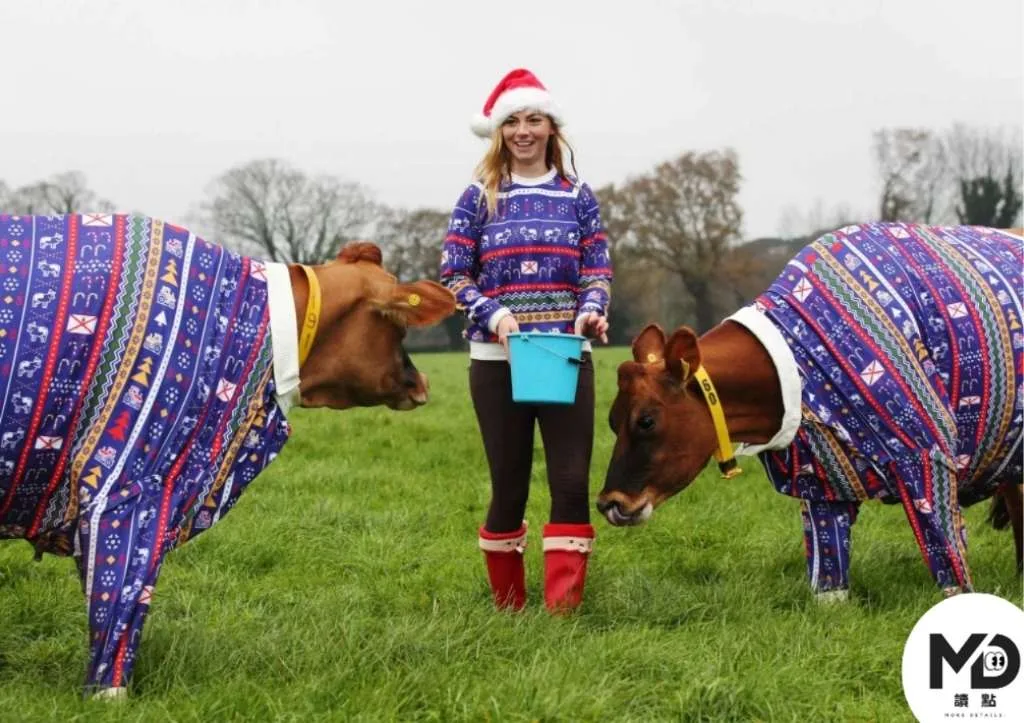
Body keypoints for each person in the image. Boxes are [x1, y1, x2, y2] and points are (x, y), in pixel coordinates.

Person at [439, 68, 613, 613]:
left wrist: (592, 310)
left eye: (533, 119)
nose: (523, 131)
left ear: (551, 128)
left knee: (571, 482)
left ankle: (563, 612)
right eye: (512, 121)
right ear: (499, 132)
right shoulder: (478, 196)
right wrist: (493, 314)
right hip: (497, 360)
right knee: (509, 485)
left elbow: (597, 268)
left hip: (565, 355)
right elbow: (453, 273)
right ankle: (510, 609)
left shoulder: (578, 195)